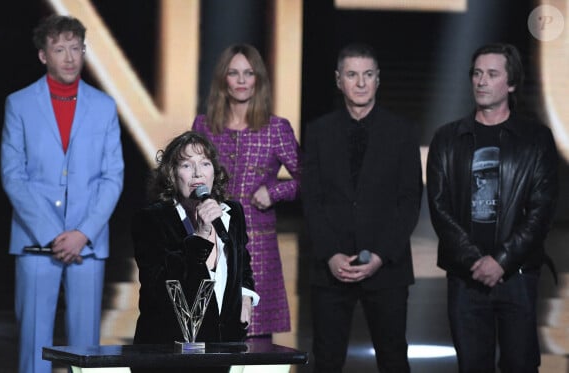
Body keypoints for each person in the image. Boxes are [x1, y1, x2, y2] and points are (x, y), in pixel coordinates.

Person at [0, 14, 124, 373]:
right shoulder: (19, 104)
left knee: (85, 347)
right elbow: (13, 175)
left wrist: (82, 232)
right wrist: (55, 235)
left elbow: (112, 176)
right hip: (36, 241)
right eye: (59, 49)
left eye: (76, 48)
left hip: (87, 241)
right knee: (34, 345)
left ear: (84, 52)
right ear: (43, 55)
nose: (69, 57)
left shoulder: (104, 107)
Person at [426, 43, 559, 372]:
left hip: (517, 275)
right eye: (477, 73)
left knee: (520, 365)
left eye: (492, 74)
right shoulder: (447, 138)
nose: (481, 81)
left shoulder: (536, 138)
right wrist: (475, 261)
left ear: (511, 83)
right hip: (465, 276)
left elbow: (542, 210)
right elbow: (439, 207)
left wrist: (501, 261)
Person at [301, 42, 422, 373]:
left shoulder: (402, 132)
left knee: (394, 357)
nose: (360, 83)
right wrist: (330, 254)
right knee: (326, 359)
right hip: (331, 267)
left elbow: (410, 199)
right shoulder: (319, 131)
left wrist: (381, 254)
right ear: (338, 80)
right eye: (352, 75)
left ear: (378, 79)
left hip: (388, 267)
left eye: (368, 75)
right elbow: (311, 198)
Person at [192, 43, 301, 340]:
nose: (241, 81)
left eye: (248, 73)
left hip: (257, 247)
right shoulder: (204, 125)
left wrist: (274, 191)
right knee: (206, 333)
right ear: (223, 80)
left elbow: (307, 179)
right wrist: (203, 198)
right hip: (211, 240)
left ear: (258, 80)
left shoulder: (276, 128)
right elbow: (186, 177)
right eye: (234, 73)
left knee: (255, 337)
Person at [131, 131, 259, 373]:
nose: (198, 173)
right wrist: (200, 236)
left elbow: (242, 262)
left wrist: (245, 295)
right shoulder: (151, 220)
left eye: (205, 164)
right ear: (172, 174)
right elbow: (161, 287)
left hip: (223, 346)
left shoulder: (232, 213)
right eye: (187, 165)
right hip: (169, 350)